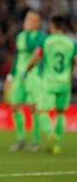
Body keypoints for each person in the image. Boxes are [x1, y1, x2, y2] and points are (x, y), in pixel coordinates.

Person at [24, 14, 77, 154]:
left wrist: (26, 71)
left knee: (41, 111)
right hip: (65, 83)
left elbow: (35, 58)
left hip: (49, 83)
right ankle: (57, 144)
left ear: (52, 26)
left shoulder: (46, 41)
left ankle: (50, 133)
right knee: (60, 113)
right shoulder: (71, 43)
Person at [4, 10, 47, 151]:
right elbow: (17, 57)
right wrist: (10, 76)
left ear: (37, 23)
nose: (26, 22)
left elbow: (31, 47)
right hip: (18, 76)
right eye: (26, 19)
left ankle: (35, 140)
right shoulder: (20, 36)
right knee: (15, 106)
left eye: (30, 19)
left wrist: (28, 32)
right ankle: (21, 139)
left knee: (33, 108)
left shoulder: (41, 37)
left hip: (33, 75)